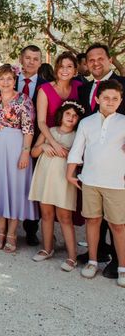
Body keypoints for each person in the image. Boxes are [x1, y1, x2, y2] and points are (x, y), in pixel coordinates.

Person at [66, 79, 125, 288]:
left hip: (117, 183)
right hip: (90, 180)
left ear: (120, 100)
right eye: (106, 97)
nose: (110, 101)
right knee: (92, 221)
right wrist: (70, 172)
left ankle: (122, 268)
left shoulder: (124, 122)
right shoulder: (87, 122)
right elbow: (77, 149)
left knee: (118, 226)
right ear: (98, 98)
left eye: (115, 98)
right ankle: (92, 261)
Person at [0, 64, 38, 254]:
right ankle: (0, 232)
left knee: (14, 188)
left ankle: (12, 234)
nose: (6, 82)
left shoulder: (24, 100)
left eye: (9, 78)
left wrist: (25, 152)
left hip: (16, 143)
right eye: (2, 79)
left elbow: (29, 128)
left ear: (14, 80)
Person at [29, 101, 84, 271]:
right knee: (46, 214)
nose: (71, 118)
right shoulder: (50, 131)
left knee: (65, 217)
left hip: (63, 180)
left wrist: (65, 151)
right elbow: (33, 152)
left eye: (75, 116)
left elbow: (80, 158)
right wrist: (44, 145)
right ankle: (47, 248)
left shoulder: (77, 135)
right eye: (68, 114)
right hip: (45, 176)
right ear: (61, 115)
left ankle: (72, 256)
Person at [16, 45, 46, 246]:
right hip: (6, 140)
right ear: (21, 58)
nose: (31, 62)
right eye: (27, 57)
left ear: (40, 62)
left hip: (35, 142)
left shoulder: (46, 86)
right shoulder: (6, 80)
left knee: (32, 185)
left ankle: (31, 229)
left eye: (35, 59)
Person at [35, 52, 81, 157]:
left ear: (75, 70)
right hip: (48, 140)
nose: (65, 70)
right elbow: (41, 121)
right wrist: (54, 143)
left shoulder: (80, 87)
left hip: (71, 142)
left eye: (69, 66)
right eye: (61, 66)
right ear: (56, 69)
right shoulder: (45, 90)